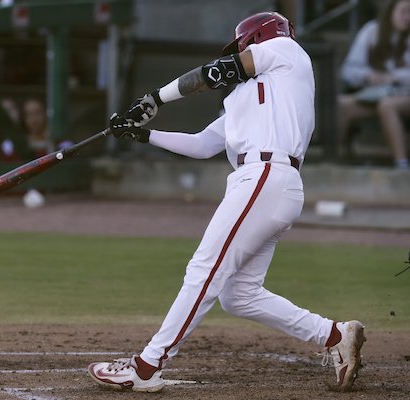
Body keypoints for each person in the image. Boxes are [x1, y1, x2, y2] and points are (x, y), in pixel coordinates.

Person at [87, 12, 366, 393]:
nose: (240, 53)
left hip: (266, 176)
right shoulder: (244, 97)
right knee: (239, 296)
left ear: (255, 39)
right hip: (264, 185)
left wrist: (154, 98)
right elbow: (203, 144)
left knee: (204, 270)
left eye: (242, 46)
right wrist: (142, 134)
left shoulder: (287, 51)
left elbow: (218, 71)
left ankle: (147, 366)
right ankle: (334, 335)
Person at [337, 0, 410, 169]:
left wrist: (394, 77)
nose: (408, 17)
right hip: (375, 93)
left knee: (387, 106)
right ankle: (336, 161)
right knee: (342, 105)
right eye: (404, 11)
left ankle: (401, 165)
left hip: (404, 96)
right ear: (391, 10)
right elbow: (348, 70)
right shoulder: (372, 31)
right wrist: (368, 76)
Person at [0, 96, 72, 161]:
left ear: (46, 114)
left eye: (38, 113)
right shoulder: (11, 146)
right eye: (29, 114)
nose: (34, 118)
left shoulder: (62, 145)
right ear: (23, 118)